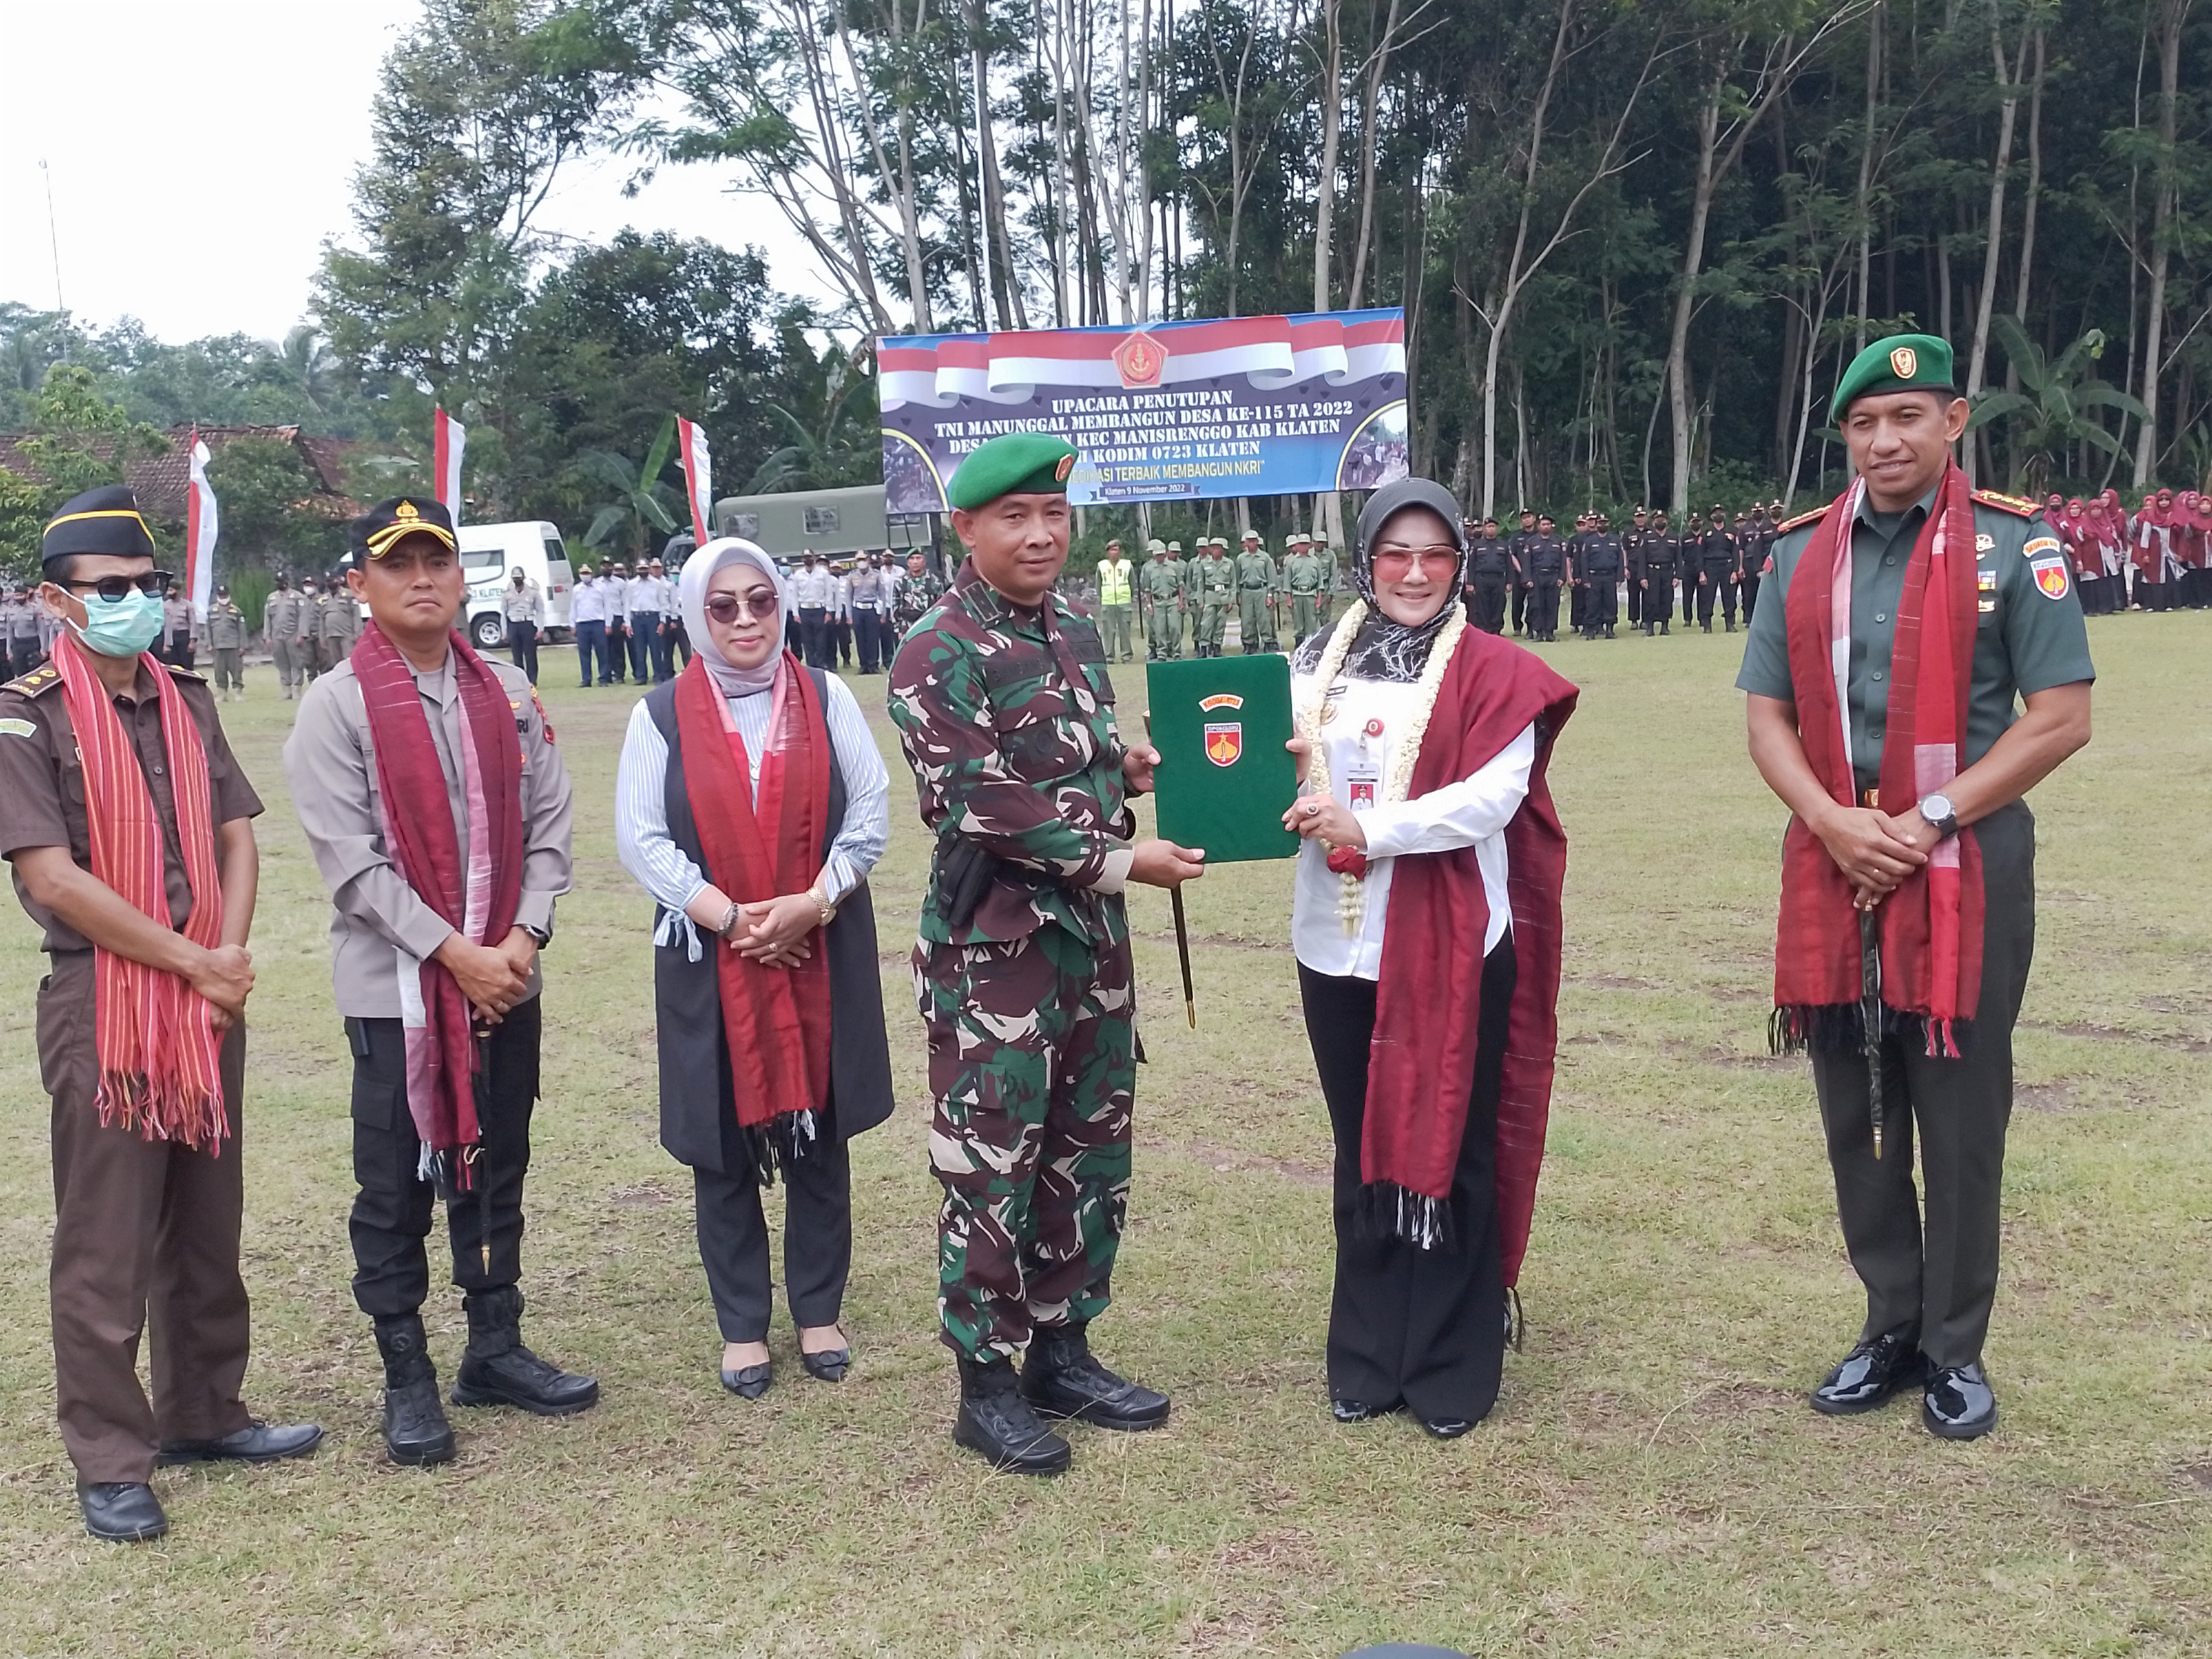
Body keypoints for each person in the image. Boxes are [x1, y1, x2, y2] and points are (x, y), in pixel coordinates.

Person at [1738, 333, 2094, 1441]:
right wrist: (1831, 820)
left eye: (1905, 418)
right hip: (1832, 860)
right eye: (1861, 424)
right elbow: (1765, 718)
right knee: (1856, 1106)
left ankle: (1953, 1348)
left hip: (1967, 865)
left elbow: (2058, 719)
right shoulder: (1797, 558)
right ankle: (1886, 1324)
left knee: (1956, 1106)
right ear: (1842, 436)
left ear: (1953, 422)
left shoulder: (2012, 546)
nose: (1882, 440)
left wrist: (1927, 817)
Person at [0, 486, 321, 1543]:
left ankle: (205, 1413)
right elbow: (53, 879)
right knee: (109, 1237)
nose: (137, 603)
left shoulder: (185, 696)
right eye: (112, 590)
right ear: (58, 599)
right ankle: (110, 1455)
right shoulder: (25, 712)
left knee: (206, 1219)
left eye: (148, 586)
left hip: (203, 993)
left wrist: (224, 959)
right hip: (105, 1001)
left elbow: (235, 833)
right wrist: (195, 959)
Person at [887, 430, 1206, 1477]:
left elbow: (1077, 760)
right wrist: (1123, 860)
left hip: (1091, 951)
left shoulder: (1069, 623)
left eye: (1055, 517)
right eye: (1015, 518)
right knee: (993, 1164)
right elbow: (983, 804)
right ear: (966, 528)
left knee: (1087, 1150)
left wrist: (1135, 768)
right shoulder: (935, 648)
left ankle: (1062, 1353)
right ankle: (986, 1384)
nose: (1040, 536)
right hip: (997, 957)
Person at [285, 495, 596, 1469]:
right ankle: (407, 1371)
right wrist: (457, 955)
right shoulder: (335, 704)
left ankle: (494, 1349)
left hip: (507, 976)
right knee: (395, 1186)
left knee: (499, 1162)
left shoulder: (502, 691)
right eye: (398, 563)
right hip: (398, 994)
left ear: (463, 577)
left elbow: (550, 822)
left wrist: (522, 936)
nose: (422, 579)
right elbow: (353, 866)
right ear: (360, 586)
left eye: (438, 561)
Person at [1282, 477, 1576, 1436]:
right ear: (1365, 561)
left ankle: (1452, 1365)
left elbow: (1489, 801)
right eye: (1395, 554)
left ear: (1461, 564)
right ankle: (1368, 1357)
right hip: (1335, 946)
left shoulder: (1497, 672)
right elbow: (1269, 774)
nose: (1414, 573)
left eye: (1435, 555)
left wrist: (1366, 827)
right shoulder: (1309, 662)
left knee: (1459, 1141)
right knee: (1361, 1147)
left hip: (1455, 945)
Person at [615, 538, 895, 1397]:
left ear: (782, 606)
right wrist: (734, 918)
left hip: (822, 938)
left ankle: (818, 1311)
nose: (745, 620)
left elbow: (872, 811)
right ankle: (742, 1326)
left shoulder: (825, 693)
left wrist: (811, 903)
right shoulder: (658, 713)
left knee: (821, 1130)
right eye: (724, 606)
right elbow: (641, 838)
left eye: (761, 601)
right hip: (711, 953)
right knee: (722, 1142)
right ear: (696, 616)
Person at [848, 550, 894, 673]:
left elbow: (882, 595)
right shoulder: (852, 576)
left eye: (863, 559)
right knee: (860, 638)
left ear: (868, 560)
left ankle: (873, 665)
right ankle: (863, 665)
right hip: (858, 610)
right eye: (859, 560)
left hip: (872, 609)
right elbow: (848, 596)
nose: (861, 562)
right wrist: (849, 615)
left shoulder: (877, 575)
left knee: (873, 638)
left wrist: (883, 614)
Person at [1695, 507, 1739, 632]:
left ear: (1725, 515)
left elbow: (1736, 552)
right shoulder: (1705, 533)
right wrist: (1701, 573)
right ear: (1711, 516)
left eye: (1721, 512)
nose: (1718, 515)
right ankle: (1707, 625)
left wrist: (1735, 571)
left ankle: (1730, 623)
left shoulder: (1732, 531)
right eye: (1715, 513)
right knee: (1708, 596)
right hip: (1710, 567)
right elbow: (1700, 554)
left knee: (1729, 596)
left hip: (1727, 566)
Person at [1466, 518, 1514, 634]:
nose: (1491, 529)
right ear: (1484, 529)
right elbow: (1471, 565)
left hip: (1498, 579)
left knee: (1498, 605)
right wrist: (1470, 583)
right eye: (1488, 527)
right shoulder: (1477, 545)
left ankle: (1496, 630)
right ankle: (1484, 630)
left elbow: (1509, 564)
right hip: (1481, 579)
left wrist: (1510, 581)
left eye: (1493, 526)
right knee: (1482, 606)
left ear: (1496, 529)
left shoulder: (1503, 544)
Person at [1139, 538, 1183, 660]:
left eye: (1161, 554)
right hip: (1158, 602)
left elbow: (1180, 585)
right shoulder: (1149, 569)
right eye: (1157, 555)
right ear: (1154, 555)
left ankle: (1177, 652)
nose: (1160, 557)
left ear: (1165, 554)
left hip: (1172, 600)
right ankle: (1162, 653)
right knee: (1160, 629)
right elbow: (1147, 589)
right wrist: (1149, 605)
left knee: (1175, 627)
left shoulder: (1174, 566)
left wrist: (1181, 601)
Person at [1235, 529, 1278, 653]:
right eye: (1249, 541)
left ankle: (1268, 642)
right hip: (1246, 590)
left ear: (1257, 542)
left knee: (1264, 618)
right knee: (1247, 619)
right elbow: (1237, 578)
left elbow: (1271, 577)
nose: (1252, 544)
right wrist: (1238, 594)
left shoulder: (1265, 557)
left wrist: (1270, 594)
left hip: (1261, 590)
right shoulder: (1241, 559)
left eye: (1254, 541)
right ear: (1246, 543)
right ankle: (1250, 644)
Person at [1524, 515, 1566, 642]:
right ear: (1538, 526)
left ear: (1551, 526)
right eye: (1543, 524)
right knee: (1537, 605)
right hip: (1537, 576)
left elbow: (1564, 561)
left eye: (1548, 524)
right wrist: (1528, 579)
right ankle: (1539, 633)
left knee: (1552, 605)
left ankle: (1550, 632)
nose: (1546, 526)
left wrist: (1562, 577)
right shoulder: (1532, 542)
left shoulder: (1559, 541)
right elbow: (1526, 562)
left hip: (1553, 576)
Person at [1094, 539, 1136, 664]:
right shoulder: (1102, 566)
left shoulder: (1127, 565)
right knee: (1109, 631)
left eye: (1116, 550)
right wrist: (1102, 599)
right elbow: (1098, 585)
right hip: (1108, 603)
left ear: (1120, 552)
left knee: (1125, 631)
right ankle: (1109, 656)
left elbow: (1132, 584)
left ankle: (1126, 656)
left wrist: (1129, 598)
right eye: (1112, 550)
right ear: (1108, 552)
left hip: (1124, 602)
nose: (1114, 552)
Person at [503, 565, 545, 685]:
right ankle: (520, 680)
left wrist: (540, 628)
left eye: (519, 577)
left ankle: (532, 680)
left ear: (523, 578)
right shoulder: (507, 594)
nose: (517, 580)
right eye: (515, 578)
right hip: (513, 624)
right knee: (517, 655)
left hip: (528, 623)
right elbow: (504, 613)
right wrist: (504, 632)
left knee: (530, 654)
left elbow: (540, 611)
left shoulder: (533, 592)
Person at [1194, 536, 1235, 657]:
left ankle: (1217, 647)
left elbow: (1233, 583)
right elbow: (1200, 583)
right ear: (1210, 550)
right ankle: (1204, 648)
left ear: (1223, 550)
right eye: (1214, 548)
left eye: (1219, 548)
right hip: (1210, 596)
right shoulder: (1204, 563)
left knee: (1221, 623)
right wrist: (1200, 599)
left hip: (1224, 596)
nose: (1216, 550)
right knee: (1206, 624)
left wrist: (1231, 600)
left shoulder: (1229, 563)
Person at [1282, 531, 1328, 644]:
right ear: (1297, 546)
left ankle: (1311, 644)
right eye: (1301, 544)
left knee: (1312, 622)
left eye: (1306, 544)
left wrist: (1319, 598)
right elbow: (1287, 581)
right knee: (1298, 622)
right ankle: (1299, 644)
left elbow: (1320, 582)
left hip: (1311, 594)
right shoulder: (1291, 561)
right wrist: (1288, 598)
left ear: (1310, 545)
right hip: (1297, 594)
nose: (1303, 546)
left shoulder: (1315, 561)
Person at [570, 562, 610, 685]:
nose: (585, 576)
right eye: (583, 573)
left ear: (592, 574)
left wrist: (608, 624)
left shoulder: (601, 588)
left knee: (602, 652)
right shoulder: (577, 589)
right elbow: (573, 607)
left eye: (587, 573)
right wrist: (572, 624)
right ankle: (586, 679)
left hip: (598, 622)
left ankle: (603, 678)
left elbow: (608, 607)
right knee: (584, 652)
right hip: (582, 623)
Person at [206, 585, 247, 701]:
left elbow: (242, 630)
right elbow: (208, 629)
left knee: (236, 671)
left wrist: (243, 646)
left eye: (225, 595)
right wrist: (209, 644)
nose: (223, 597)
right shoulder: (211, 611)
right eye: (220, 595)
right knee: (220, 671)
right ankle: (222, 693)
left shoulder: (236, 611)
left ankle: (238, 693)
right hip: (218, 646)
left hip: (233, 646)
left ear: (229, 595)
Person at [627, 556, 664, 682]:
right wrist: (628, 624)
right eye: (640, 569)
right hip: (637, 618)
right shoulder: (631, 585)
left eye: (644, 568)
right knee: (639, 649)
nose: (642, 571)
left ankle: (658, 675)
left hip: (653, 617)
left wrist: (662, 622)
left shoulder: (657, 584)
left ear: (648, 569)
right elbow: (627, 604)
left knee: (656, 649)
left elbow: (662, 603)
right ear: (637, 570)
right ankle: (641, 676)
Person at [266, 576, 302, 701]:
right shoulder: (271, 598)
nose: (279, 584)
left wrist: (301, 634)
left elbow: (302, 617)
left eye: (281, 582)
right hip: (277, 635)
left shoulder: (297, 597)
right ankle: (286, 689)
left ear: (287, 582)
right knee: (281, 663)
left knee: (296, 662)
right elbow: (268, 618)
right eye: (277, 582)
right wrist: (267, 635)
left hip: (293, 634)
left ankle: (297, 689)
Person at [321, 566, 362, 669]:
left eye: (332, 580)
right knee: (336, 664)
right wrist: (322, 637)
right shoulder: (324, 599)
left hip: (347, 634)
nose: (330, 583)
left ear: (338, 580)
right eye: (328, 581)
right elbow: (321, 619)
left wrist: (358, 633)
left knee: (349, 661)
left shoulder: (349, 595)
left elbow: (356, 614)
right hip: (331, 635)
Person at [603, 562, 633, 684]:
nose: (606, 569)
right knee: (606, 648)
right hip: (603, 619)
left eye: (609, 566)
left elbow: (626, 603)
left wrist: (626, 621)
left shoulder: (620, 584)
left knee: (618, 648)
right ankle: (608, 674)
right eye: (604, 566)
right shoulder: (598, 583)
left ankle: (619, 674)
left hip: (617, 617)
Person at [160, 588, 196, 669]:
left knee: (187, 664)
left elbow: (193, 623)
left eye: (172, 590)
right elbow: (165, 625)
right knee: (172, 666)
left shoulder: (188, 605)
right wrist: (166, 644)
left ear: (178, 591)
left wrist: (192, 641)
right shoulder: (165, 605)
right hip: (170, 637)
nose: (170, 593)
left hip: (184, 636)